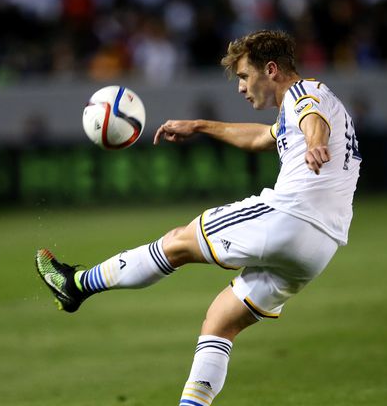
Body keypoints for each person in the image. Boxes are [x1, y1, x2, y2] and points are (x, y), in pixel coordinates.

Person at [35, 30, 361, 405]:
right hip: (320, 247)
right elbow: (261, 138)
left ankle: (76, 284)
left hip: (288, 216)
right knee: (220, 323)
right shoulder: (311, 102)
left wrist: (317, 143)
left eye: (243, 76)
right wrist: (200, 126)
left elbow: (312, 120)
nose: (241, 87)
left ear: (270, 70)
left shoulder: (306, 95)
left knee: (177, 242)